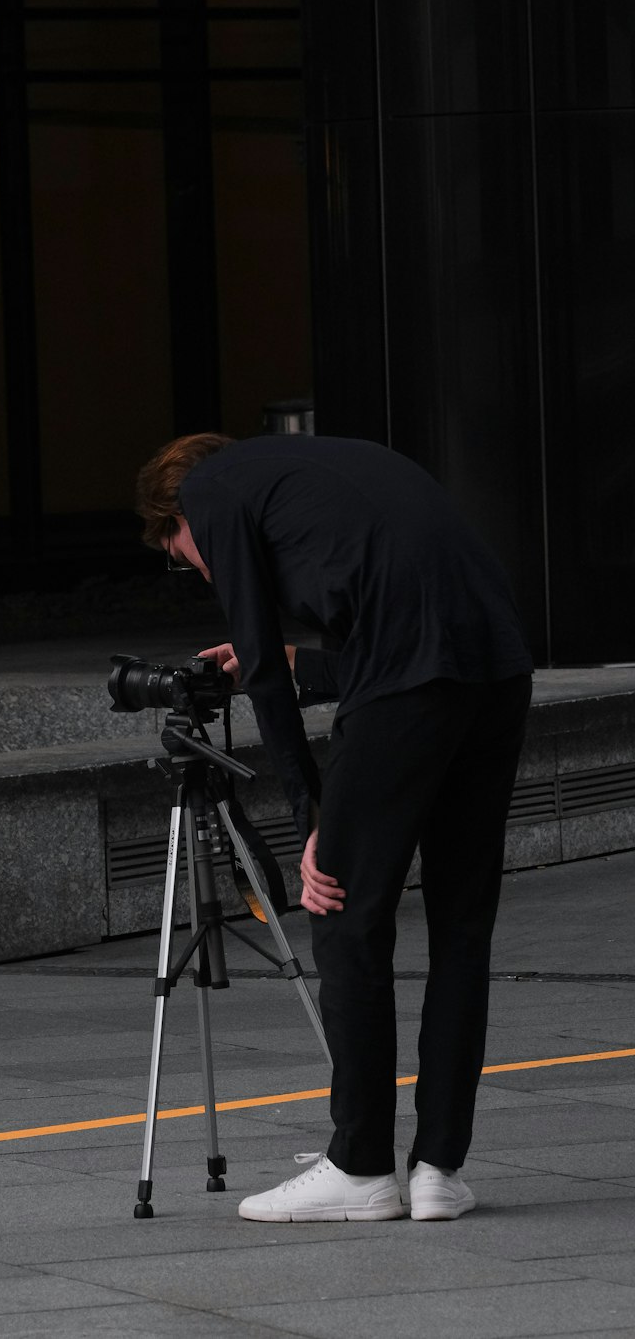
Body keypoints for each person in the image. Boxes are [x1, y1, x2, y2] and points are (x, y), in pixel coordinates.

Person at [135, 431, 533, 1223]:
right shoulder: (327, 472)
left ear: (175, 512)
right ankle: (438, 1172)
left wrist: (309, 814)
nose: (196, 564)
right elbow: (407, 641)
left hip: (411, 685)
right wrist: (283, 660)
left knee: (343, 916)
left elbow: (273, 683)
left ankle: (358, 1166)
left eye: (181, 554)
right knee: (461, 926)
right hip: (496, 671)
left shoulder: (212, 495)